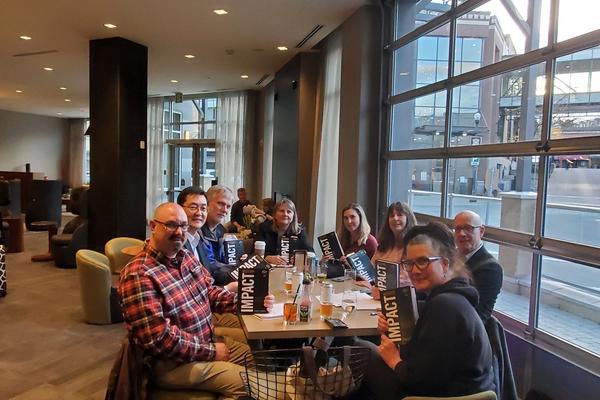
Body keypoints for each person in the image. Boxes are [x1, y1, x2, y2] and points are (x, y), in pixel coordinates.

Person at [119, 202, 274, 400]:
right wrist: (210, 352)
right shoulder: (139, 274)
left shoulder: (185, 257)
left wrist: (250, 301)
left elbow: (209, 292)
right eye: (171, 225)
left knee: (252, 357)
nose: (179, 231)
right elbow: (159, 339)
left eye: (183, 226)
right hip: (169, 364)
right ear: (153, 226)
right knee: (246, 384)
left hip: (202, 343)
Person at [358, 222, 495, 399]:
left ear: (445, 264)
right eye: (409, 263)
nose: (414, 270)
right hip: (455, 390)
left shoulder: (444, 306)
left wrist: (394, 360)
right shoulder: (453, 298)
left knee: (362, 351)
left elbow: (418, 380)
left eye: (423, 261)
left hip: (438, 396)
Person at [453, 210, 503, 323]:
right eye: (458, 229)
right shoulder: (451, 257)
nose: (462, 234)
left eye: (468, 228)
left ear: (481, 231)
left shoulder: (490, 269)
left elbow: (476, 314)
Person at [371, 202, 417, 298]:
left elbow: (408, 280)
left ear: (408, 218)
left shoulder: (413, 247)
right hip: (377, 296)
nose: (395, 218)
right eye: (392, 216)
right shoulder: (383, 245)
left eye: (400, 215)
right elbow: (372, 269)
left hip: (402, 298)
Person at [255, 198, 313, 265]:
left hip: (291, 270)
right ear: (275, 214)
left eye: (289, 212)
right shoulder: (263, 228)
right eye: (281, 211)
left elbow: (310, 252)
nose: (285, 214)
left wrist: (298, 258)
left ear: (293, 216)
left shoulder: (300, 231)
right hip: (268, 269)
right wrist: (267, 258)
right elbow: (254, 253)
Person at [201, 185, 236, 285]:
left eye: (228, 206)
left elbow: (224, 260)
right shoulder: (197, 230)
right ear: (207, 204)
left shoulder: (221, 229)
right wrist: (238, 269)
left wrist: (239, 259)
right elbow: (210, 266)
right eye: (220, 204)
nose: (225, 210)